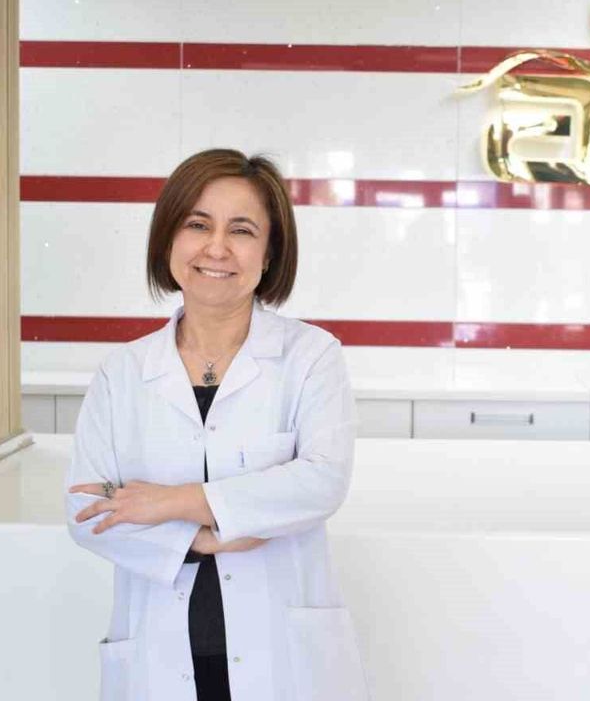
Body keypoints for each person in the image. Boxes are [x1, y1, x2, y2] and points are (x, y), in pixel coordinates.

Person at [64, 149, 369, 701]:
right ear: (168, 240)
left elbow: (321, 481)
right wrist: (206, 539)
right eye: (198, 224)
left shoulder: (311, 356)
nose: (217, 248)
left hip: (280, 655)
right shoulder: (122, 373)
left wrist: (171, 501)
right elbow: (86, 511)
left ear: (270, 254)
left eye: (242, 230)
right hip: (161, 651)